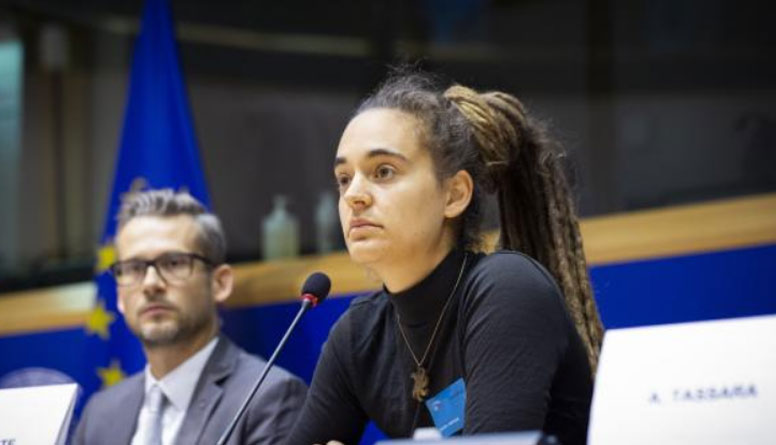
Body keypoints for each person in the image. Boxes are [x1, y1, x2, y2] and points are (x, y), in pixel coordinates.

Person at [288, 72, 604, 445]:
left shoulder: (507, 291)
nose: (354, 195)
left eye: (383, 172)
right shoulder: (358, 336)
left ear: (454, 194)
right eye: (344, 178)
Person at [73, 189, 307, 445]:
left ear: (219, 283)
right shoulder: (99, 415)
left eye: (174, 263)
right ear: (119, 294)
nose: (150, 284)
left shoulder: (269, 397)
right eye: (134, 268)